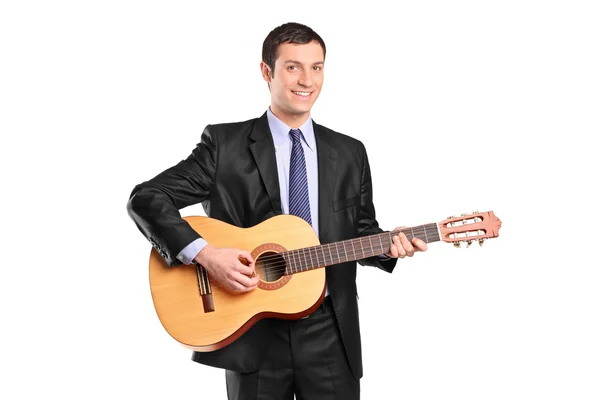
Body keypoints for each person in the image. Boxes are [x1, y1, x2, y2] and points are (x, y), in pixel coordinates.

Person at [127, 22, 427, 400]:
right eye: (293, 67)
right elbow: (147, 198)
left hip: (330, 332)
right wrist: (206, 255)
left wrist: (387, 245)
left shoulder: (351, 152)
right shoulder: (225, 145)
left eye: (316, 67)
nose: (307, 80)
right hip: (252, 330)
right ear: (266, 71)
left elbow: (361, 231)